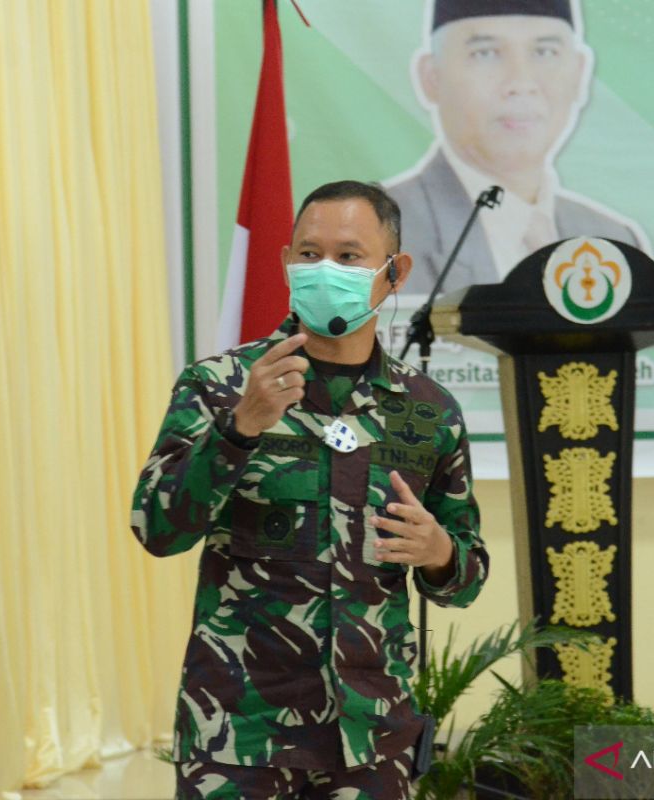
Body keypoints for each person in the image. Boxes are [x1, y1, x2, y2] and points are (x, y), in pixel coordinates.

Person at [130, 180, 489, 800]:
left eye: (349, 257)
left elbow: (468, 573)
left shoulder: (428, 412)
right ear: (285, 263)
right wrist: (241, 428)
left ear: (394, 272)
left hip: (372, 738)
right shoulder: (220, 385)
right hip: (239, 735)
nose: (326, 270)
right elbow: (156, 529)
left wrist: (440, 554)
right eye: (309, 254)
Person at [386, 0, 651, 296]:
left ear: (580, 73)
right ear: (431, 77)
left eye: (545, 52)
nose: (521, 83)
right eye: (485, 53)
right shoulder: (376, 234)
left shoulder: (613, 244)